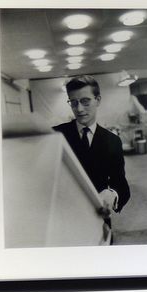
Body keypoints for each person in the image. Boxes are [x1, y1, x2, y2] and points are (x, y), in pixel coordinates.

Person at [53, 75, 131, 220]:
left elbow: (120, 183)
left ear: (98, 100)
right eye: (73, 102)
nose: (79, 109)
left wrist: (112, 193)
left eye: (85, 101)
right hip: (63, 215)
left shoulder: (112, 141)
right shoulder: (56, 135)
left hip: (98, 216)